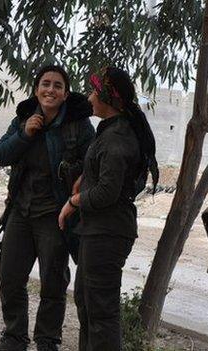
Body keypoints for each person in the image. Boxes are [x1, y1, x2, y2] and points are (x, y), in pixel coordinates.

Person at [0, 65, 95, 351]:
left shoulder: (79, 125)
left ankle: (47, 341)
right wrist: (24, 134)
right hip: (20, 211)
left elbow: (94, 163)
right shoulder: (24, 118)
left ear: (66, 94)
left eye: (58, 86)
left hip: (54, 215)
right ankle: (14, 337)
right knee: (9, 276)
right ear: (36, 89)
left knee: (53, 282)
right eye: (45, 84)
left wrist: (79, 180)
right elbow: (0, 155)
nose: (51, 90)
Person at [58, 67, 159, 351]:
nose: (89, 96)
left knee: (100, 311)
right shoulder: (111, 132)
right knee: (87, 303)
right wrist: (84, 177)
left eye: (93, 91)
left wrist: (73, 202)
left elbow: (107, 192)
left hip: (108, 233)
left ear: (107, 98)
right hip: (98, 231)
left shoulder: (117, 137)